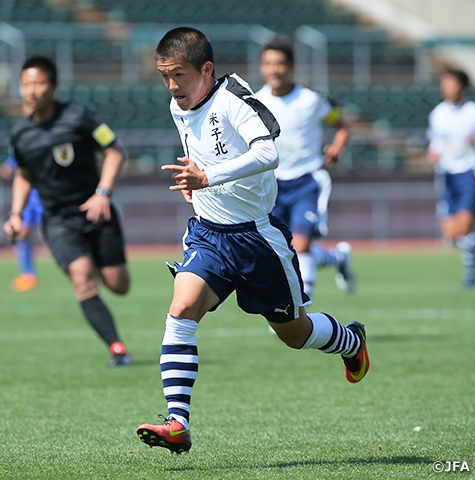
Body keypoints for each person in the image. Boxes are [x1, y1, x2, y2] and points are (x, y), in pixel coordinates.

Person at [136, 27, 370, 455]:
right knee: (181, 307)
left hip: (257, 239)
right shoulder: (179, 103)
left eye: (179, 75)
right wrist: (196, 180)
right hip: (208, 233)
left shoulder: (236, 99)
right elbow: (200, 142)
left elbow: (268, 153)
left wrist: (209, 176)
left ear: (206, 70)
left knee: (295, 334)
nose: (172, 86)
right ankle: (177, 421)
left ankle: (351, 342)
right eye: (164, 76)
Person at [3, 55, 132, 367]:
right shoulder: (20, 133)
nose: (32, 90)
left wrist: (103, 193)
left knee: (118, 285)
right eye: (26, 84)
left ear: (54, 86)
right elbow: (23, 174)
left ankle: (99, 262)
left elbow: (114, 152)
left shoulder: (79, 117)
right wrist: (16, 213)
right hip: (58, 218)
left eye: (39, 83)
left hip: (96, 210)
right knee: (82, 277)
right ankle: (117, 347)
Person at [254, 36, 355, 297]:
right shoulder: (254, 102)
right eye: (268, 63)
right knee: (280, 249)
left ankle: (302, 308)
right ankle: (337, 259)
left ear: (292, 66)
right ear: (261, 67)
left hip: (306, 180)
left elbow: (341, 125)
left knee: (300, 245)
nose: (274, 69)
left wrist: (336, 148)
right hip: (272, 185)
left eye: (280, 63)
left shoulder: (312, 100)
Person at [426, 68, 475, 288]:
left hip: (469, 173)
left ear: (461, 85)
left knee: (465, 227)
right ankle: (472, 250)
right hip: (447, 174)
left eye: (450, 83)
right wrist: (433, 154)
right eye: (443, 83)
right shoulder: (438, 114)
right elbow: (435, 145)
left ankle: (469, 273)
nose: (446, 87)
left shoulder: (473, 113)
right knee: (451, 233)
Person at [0, 103, 44, 292]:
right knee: (23, 234)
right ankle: (28, 274)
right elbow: (12, 163)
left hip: (46, 194)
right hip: (27, 196)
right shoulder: (20, 136)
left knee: (53, 234)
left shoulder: (49, 133)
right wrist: (8, 167)